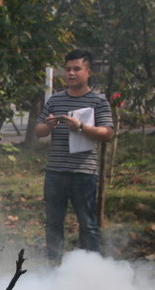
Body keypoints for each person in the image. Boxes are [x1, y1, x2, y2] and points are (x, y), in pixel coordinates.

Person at [35, 49, 114, 263]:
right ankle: (53, 265)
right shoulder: (55, 100)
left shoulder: (98, 101)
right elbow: (39, 130)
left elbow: (107, 133)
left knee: (87, 224)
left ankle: (91, 269)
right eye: (68, 69)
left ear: (88, 72)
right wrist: (48, 125)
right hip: (56, 171)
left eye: (77, 69)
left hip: (84, 172)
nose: (71, 73)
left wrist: (81, 127)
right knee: (53, 222)